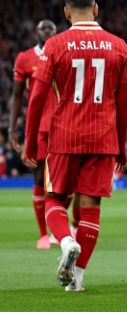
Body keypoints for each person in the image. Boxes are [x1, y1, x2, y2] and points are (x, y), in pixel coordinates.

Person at [23, 0, 127, 292]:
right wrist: (121, 148)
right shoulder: (120, 46)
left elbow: (36, 98)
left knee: (54, 198)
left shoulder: (55, 44)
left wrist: (31, 143)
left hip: (64, 135)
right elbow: (124, 104)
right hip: (104, 137)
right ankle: (78, 280)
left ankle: (66, 241)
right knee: (90, 207)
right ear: (96, 10)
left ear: (66, 13)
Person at [9, 20, 64, 249]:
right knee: (39, 176)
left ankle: (58, 225)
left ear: (55, 33)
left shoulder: (63, 53)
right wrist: (13, 128)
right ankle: (44, 234)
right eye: (43, 29)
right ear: (36, 33)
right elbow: (18, 95)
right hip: (40, 125)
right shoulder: (24, 58)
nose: (47, 32)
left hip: (63, 124)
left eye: (51, 29)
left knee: (67, 180)